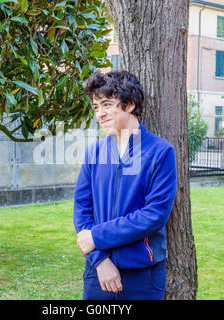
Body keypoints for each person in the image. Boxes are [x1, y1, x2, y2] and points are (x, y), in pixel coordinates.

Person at [73, 70, 178, 300]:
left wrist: (97, 236)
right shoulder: (95, 153)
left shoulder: (161, 152)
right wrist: (99, 260)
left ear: (129, 104)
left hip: (143, 277)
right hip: (97, 274)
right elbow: (82, 211)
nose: (100, 113)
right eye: (96, 107)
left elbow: (154, 216)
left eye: (107, 104)